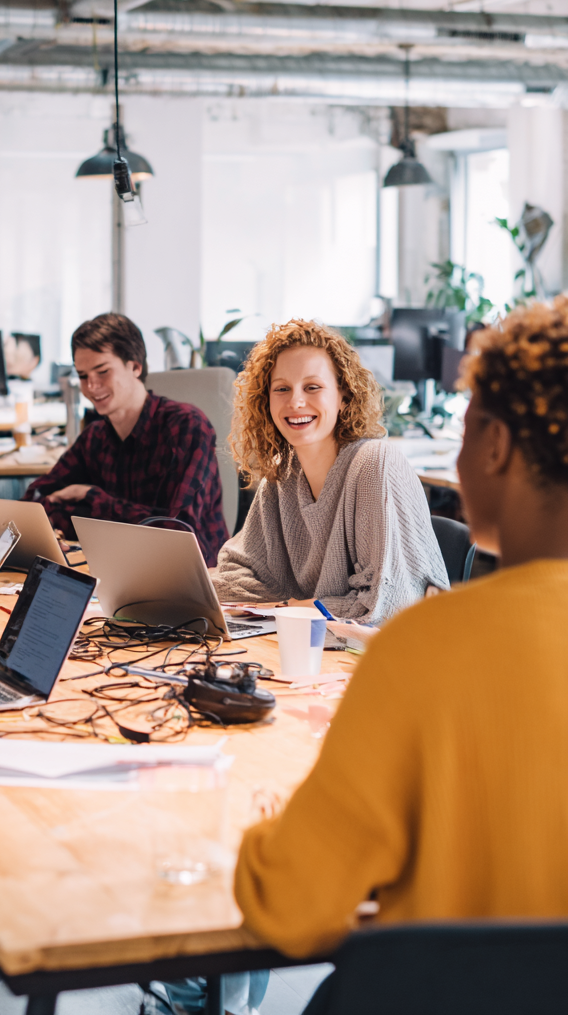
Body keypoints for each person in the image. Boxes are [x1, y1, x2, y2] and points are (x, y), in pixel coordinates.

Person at [233, 297, 568, 983]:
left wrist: (261, 822)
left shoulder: (423, 651)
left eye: (466, 427)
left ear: (495, 446)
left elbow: (291, 906)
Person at [212, 318, 448, 623]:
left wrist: (286, 609)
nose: (295, 401)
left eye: (313, 387)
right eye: (282, 388)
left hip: (389, 656)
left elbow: (384, 607)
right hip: (310, 647)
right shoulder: (282, 478)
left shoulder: (375, 464)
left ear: (343, 397)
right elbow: (235, 572)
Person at [23, 313, 228, 566]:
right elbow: (36, 501)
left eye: (102, 371)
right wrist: (77, 511)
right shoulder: (95, 437)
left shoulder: (186, 427)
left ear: (135, 367)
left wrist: (90, 497)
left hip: (193, 579)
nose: (91, 386)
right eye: (83, 375)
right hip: (118, 570)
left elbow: (175, 534)